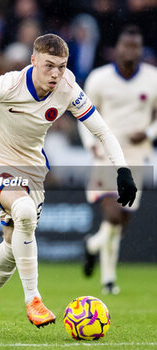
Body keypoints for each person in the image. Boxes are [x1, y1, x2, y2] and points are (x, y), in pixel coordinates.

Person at [0, 33, 137, 332]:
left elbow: (103, 132)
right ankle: (33, 299)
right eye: (49, 66)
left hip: (33, 171)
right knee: (25, 213)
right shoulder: (7, 85)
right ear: (33, 61)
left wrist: (122, 170)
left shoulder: (68, 87)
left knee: (12, 242)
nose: (56, 73)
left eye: (62, 66)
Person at [78, 26, 157, 295]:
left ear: (141, 49)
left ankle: (91, 246)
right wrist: (91, 144)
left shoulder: (152, 78)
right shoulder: (99, 78)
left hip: (138, 156)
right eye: (126, 46)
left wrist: (147, 132)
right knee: (112, 215)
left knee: (120, 222)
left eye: (136, 47)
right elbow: (83, 113)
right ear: (118, 48)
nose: (131, 51)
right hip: (107, 154)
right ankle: (108, 280)